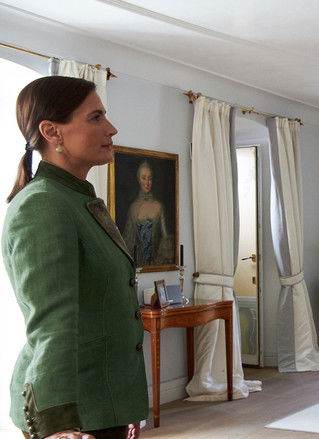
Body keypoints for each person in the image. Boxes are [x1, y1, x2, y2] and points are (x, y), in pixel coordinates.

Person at [3, 76, 148, 439]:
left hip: (102, 404)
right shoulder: (43, 204)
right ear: (52, 131)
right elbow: (52, 325)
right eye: (96, 117)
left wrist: (122, 402)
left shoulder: (76, 199)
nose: (111, 128)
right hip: (73, 414)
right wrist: (58, 424)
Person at [121, 161, 172, 266]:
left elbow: (166, 238)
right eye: (144, 178)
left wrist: (160, 260)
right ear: (138, 180)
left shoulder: (159, 206)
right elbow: (127, 240)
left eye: (150, 178)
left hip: (157, 264)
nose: (147, 183)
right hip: (137, 266)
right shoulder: (133, 208)